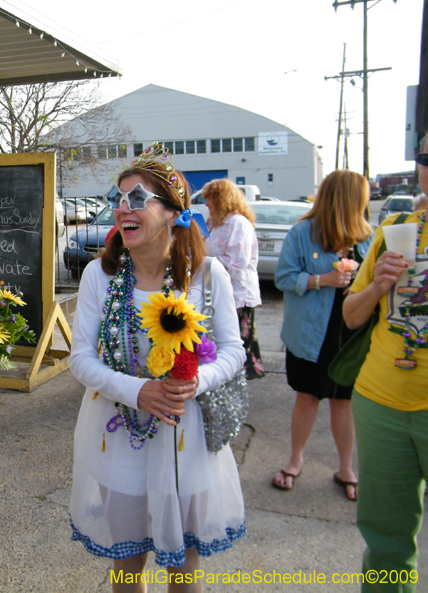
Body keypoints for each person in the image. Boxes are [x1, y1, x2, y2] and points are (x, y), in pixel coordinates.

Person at [68, 145, 246, 593]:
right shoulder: (99, 276)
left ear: (172, 212)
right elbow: (81, 358)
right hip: (118, 437)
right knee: (127, 563)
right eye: (118, 197)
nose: (122, 207)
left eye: (137, 198)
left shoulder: (207, 275)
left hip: (186, 439)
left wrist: (195, 382)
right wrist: (137, 391)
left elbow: (234, 351)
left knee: (184, 566)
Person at [343, 138, 428, 592]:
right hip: (380, 403)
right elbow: (351, 315)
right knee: (386, 538)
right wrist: (377, 285)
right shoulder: (395, 228)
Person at [271, 170, 373, 501]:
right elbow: (284, 278)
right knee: (307, 396)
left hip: (351, 335)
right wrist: (322, 280)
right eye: (363, 196)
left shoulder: (367, 236)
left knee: (344, 401)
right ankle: (295, 460)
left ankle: (346, 468)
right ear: (349, 199)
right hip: (310, 333)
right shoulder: (303, 233)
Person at [201, 179, 265, 379]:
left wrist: (204, 264)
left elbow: (237, 263)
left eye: (210, 199)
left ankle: (240, 377)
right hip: (215, 290)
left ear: (221, 199)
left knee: (239, 338)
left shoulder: (238, 223)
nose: (206, 204)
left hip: (237, 293)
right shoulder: (213, 223)